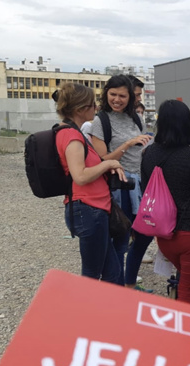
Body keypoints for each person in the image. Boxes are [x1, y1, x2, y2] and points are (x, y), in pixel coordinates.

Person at [141, 100, 190, 305]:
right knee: (188, 290)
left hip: (164, 235)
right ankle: (184, 333)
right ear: (187, 123)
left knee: (183, 277)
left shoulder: (149, 154)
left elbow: (145, 191)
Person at [54, 82, 126, 284]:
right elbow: (81, 176)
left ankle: (109, 313)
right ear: (79, 109)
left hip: (94, 209)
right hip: (88, 210)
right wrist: (108, 164)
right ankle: (87, 314)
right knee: (92, 276)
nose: (96, 108)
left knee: (112, 272)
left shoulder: (72, 133)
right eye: (92, 104)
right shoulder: (71, 136)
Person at [89, 75, 153, 292]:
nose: (117, 99)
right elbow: (102, 160)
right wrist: (127, 144)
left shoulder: (137, 119)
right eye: (113, 94)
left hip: (137, 185)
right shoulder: (101, 121)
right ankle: (114, 290)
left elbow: (141, 151)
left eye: (122, 95)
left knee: (139, 235)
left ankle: (125, 284)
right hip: (117, 187)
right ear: (106, 93)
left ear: (130, 97)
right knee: (119, 239)